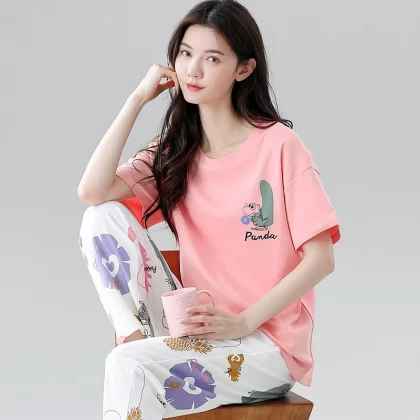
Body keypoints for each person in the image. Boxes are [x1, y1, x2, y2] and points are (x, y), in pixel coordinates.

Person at [77, 1, 341, 418]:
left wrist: (244, 322)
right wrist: (137, 99)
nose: (193, 70)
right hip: (193, 331)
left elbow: (321, 259)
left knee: (128, 367)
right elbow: (92, 191)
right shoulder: (176, 153)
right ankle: (137, 339)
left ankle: (139, 353)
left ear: (244, 69)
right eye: (186, 54)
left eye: (212, 58)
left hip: (265, 347)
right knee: (100, 216)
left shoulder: (279, 147)